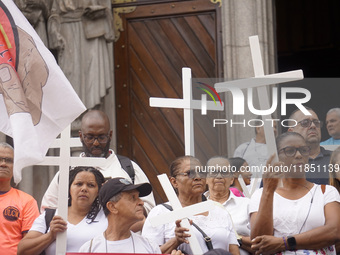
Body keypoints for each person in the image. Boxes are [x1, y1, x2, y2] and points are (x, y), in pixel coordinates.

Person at [41, 110, 155, 230]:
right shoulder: (68, 170)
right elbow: (48, 209)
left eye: (101, 137)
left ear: (110, 135)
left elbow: (149, 209)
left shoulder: (128, 168)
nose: (96, 143)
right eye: (90, 137)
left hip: (120, 241)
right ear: (81, 136)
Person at [250, 132, 340, 255]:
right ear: (276, 156)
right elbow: (259, 241)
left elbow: (334, 231)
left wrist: (284, 243)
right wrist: (268, 191)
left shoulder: (326, 192)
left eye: (303, 150)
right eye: (290, 150)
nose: (298, 155)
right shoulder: (261, 195)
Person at [142, 156, 240, 255]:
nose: (197, 177)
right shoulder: (160, 214)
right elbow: (147, 253)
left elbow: (234, 252)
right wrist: (176, 241)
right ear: (174, 182)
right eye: (189, 173)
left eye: (201, 172)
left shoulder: (219, 212)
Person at [17, 166, 107, 255]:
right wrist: (50, 236)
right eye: (79, 184)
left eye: (91, 185)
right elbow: (22, 251)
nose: (84, 189)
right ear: (69, 188)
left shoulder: (107, 217)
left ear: (98, 191)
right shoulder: (50, 216)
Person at [48, 0, 114, 109]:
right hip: (67, 32)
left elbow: (105, 7)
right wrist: (54, 31)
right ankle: (75, 117)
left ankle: (92, 114)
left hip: (92, 30)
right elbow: (53, 13)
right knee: (70, 72)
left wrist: (98, 11)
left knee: (93, 73)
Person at [79, 177, 160, 253]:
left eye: (138, 197)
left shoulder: (150, 247)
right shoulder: (89, 249)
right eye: (133, 197)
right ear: (112, 207)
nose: (141, 202)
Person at [205, 156, 252, 255]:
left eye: (224, 172)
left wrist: (236, 237)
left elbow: (261, 244)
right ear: (206, 178)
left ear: (231, 179)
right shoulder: (198, 207)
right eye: (214, 172)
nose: (219, 176)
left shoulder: (247, 204)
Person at [0, 142, 40, 255]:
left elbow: (29, 247)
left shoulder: (27, 201)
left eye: (8, 160)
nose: (3, 164)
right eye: (0, 159)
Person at [288, 108, 331, 184]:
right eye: (305, 123)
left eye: (316, 122)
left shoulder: (336, 159)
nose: (313, 126)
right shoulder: (283, 163)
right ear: (291, 132)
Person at [233, 117, 277, 190]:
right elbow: (234, 173)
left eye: (275, 127)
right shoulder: (243, 149)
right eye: (270, 126)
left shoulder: (279, 149)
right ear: (258, 128)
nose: (274, 130)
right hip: (248, 193)